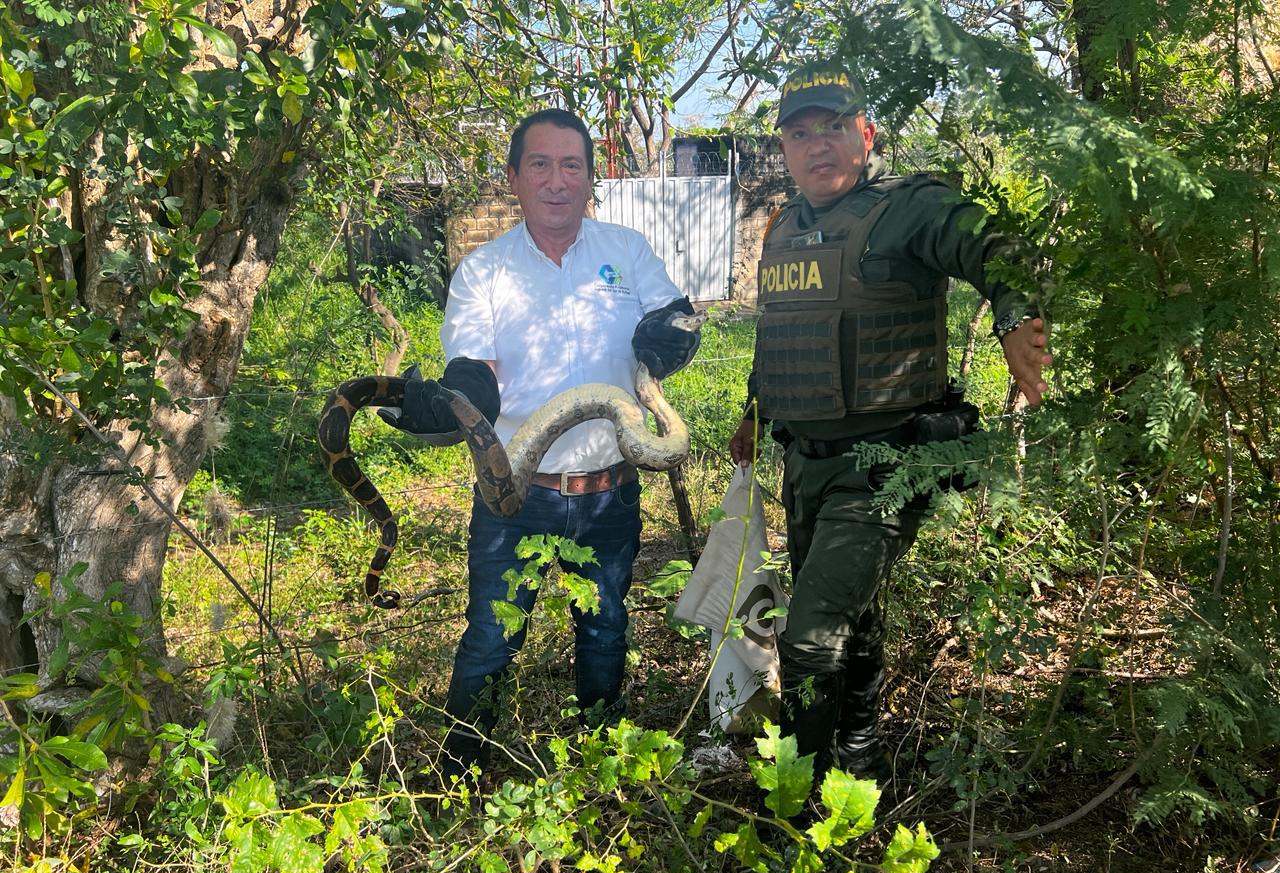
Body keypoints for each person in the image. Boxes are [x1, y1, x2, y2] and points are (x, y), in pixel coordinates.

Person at [728, 63, 1053, 791]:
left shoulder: (908, 208)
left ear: (866, 134)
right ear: (783, 148)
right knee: (849, 607)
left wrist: (1010, 314)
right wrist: (754, 409)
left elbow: (990, 246)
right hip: (804, 462)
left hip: (885, 461)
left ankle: (799, 798)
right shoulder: (783, 228)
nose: (818, 146)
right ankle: (862, 747)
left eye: (834, 128)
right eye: (800, 133)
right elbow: (778, 332)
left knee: (808, 636)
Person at [381, 108, 699, 776]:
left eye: (572, 165)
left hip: (611, 492)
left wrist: (675, 333)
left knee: (606, 627)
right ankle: (458, 775)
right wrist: (454, 395)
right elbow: (479, 373)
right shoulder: (484, 273)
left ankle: (599, 756)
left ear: (592, 179)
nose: (557, 181)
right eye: (541, 164)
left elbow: (672, 320)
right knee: (491, 640)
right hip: (516, 496)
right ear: (514, 179)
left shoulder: (626, 252)